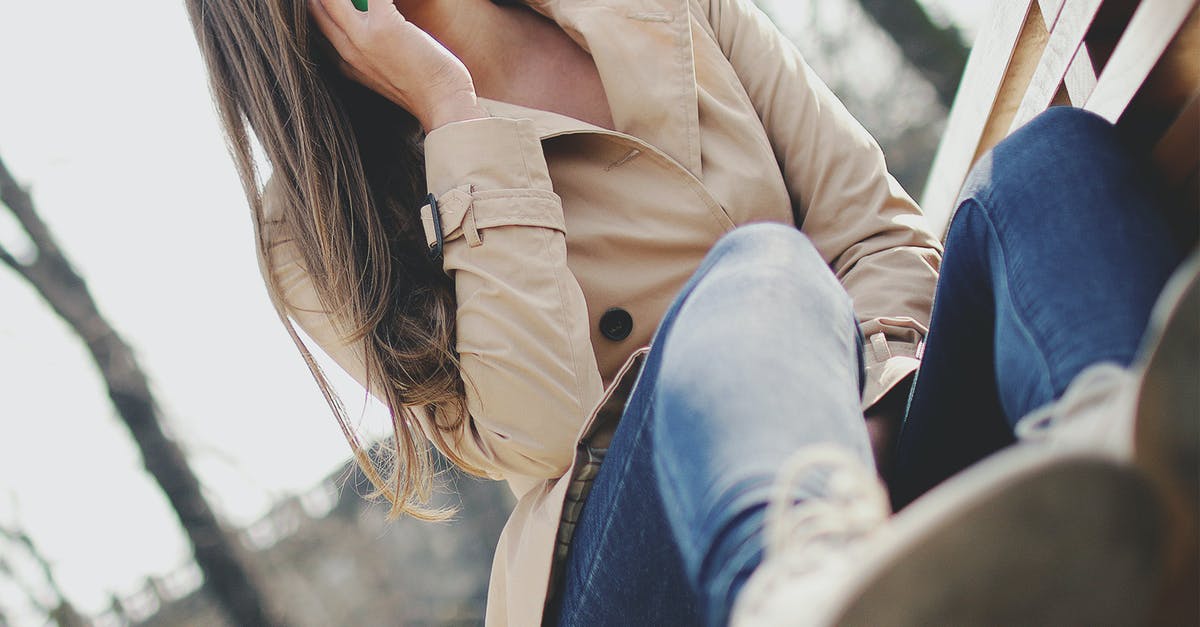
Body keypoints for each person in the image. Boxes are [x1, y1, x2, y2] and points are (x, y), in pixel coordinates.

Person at [183, 0, 1193, 624]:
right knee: (760, 270)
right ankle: (802, 585)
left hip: (877, 452)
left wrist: (860, 414)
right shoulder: (316, 226)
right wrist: (456, 120)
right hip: (650, 568)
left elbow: (879, 236)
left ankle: (1131, 471)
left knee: (1044, 169)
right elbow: (539, 434)